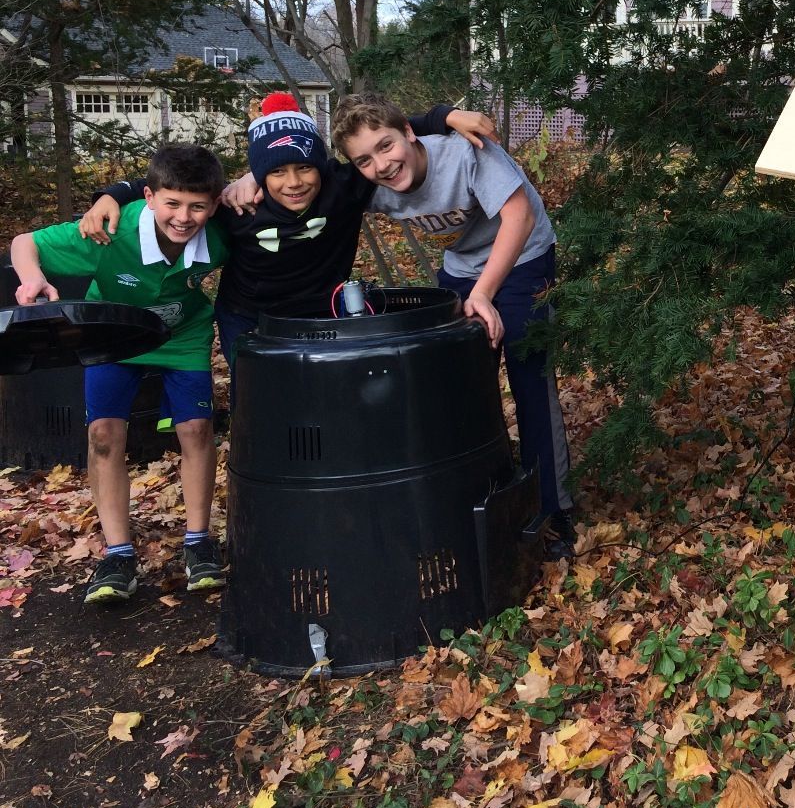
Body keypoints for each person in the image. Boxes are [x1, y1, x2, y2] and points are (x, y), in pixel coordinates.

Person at [80, 93, 497, 377]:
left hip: (323, 313)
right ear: (260, 174)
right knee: (261, 399)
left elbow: (384, 138)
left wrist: (443, 116)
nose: (293, 182)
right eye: (276, 172)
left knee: (327, 396)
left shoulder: (346, 186)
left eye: (304, 168)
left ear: (322, 166)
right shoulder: (237, 205)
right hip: (249, 317)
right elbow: (178, 186)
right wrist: (115, 194)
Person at [329, 93, 577, 556]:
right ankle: (481, 497)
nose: (381, 165)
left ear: (408, 132)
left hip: (524, 254)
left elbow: (518, 216)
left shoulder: (463, 151)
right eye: (363, 159)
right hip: (462, 267)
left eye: (386, 146)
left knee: (528, 369)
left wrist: (484, 294)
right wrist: (250, 181)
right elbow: (302, 185)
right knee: (460, 380)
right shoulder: (370, 185)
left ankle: (552, 511)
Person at [10, 144, 230, 604]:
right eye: (172, 203)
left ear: (214, 203)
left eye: (197, 206)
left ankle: (198, 542)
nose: (184, 217)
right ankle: (117, 554)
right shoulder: (109, 232)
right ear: (149, 197)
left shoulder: (223, 233)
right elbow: (24, 243)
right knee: (105, 435)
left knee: (195, 429)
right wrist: (31, 278)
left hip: (181, 334)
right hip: (111, 334)